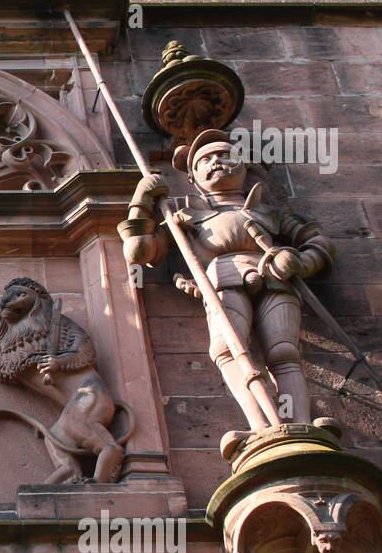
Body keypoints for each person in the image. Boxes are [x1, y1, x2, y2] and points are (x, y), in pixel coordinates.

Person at [119, 128, 335, 433]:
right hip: (221, 279)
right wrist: (141, 200)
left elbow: (319, 243)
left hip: (274, 277)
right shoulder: (184, 217)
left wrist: (301, 261)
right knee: (227, 350)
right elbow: (139, 251)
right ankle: (260, 427)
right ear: (193, 177)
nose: (215, 162)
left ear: (244, 166)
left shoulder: (269, 212)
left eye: (224, 155)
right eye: (205, 160)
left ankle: (300, 423)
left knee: (284, 351)